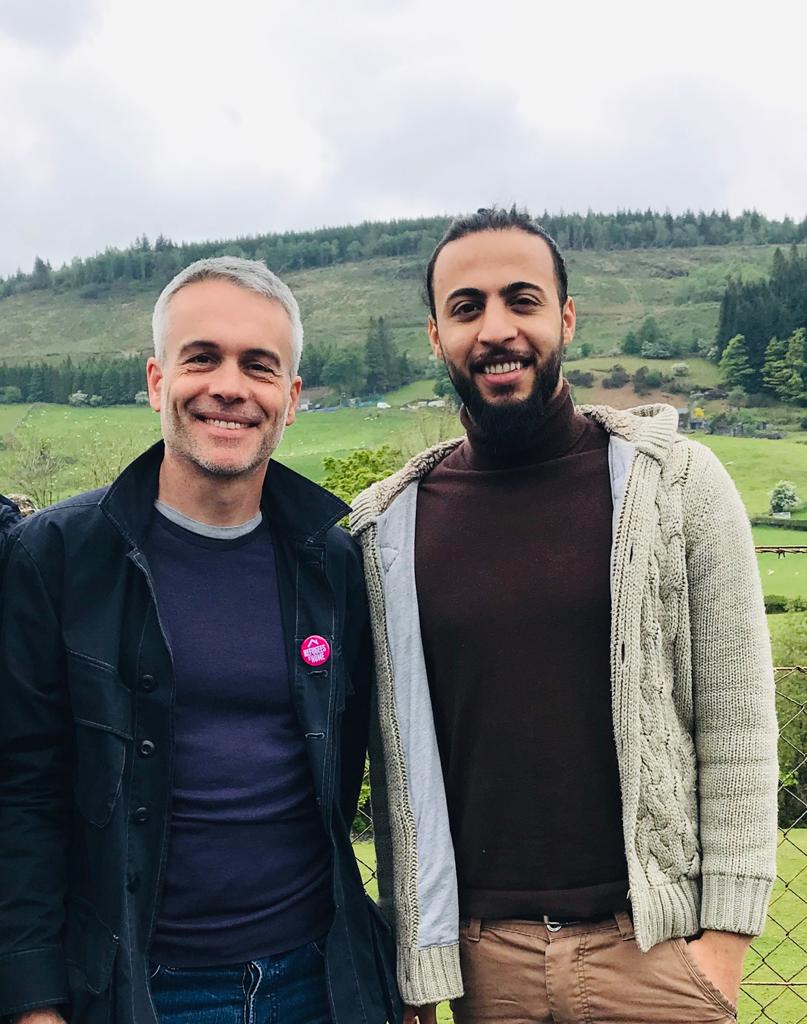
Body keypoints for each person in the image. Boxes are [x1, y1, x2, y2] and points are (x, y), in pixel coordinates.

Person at [350, 208, 778, 1024]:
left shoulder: (677, 485)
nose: (497, 329)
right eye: (467, 308)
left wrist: (718, 950)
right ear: (435, 335)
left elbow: (737, 723)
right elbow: (390, 760)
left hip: (653, 954)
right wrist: (419, 959)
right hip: (480, 967)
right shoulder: (385, 530)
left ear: (565, 318)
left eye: (522, 300)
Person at [0, 257, 399, 1024]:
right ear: (156, 382)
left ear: (289, 398)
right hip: (139, 987)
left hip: (320, 980)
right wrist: (31, 999)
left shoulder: (334, 561)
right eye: (201, 358)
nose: (228, 386)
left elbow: (350, 760)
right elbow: (22, 789)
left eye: (259, 366)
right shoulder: (55, 558)